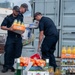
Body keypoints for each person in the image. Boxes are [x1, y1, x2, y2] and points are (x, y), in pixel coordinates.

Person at [1, 6, 23, 73]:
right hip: (11, 37)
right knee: (8, 52)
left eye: (18, 11)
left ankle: (14, 66)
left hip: (18, 37)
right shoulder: (8, 18)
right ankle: (6, 67)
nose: (17, 12)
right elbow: (2, 27)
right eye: (16, 11)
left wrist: (22, 30)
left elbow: (21, 25)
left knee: (17, 53)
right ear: (13, 10)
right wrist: (9, 29)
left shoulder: (20, 17)